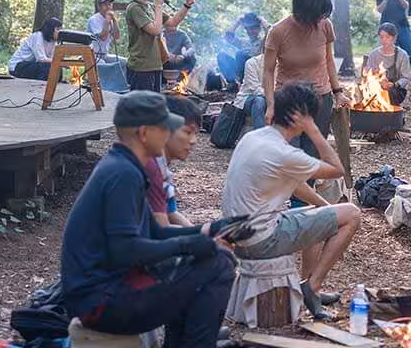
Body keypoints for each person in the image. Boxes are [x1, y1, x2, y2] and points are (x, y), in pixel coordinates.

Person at [60, 91, 248, 348]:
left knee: (210, 257)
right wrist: (191, 245)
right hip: (101, 304)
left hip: (103, 292)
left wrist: (210, 231)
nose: (170, 133)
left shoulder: (124, 166)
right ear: (144, 133)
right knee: (218, 265)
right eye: (165, 127)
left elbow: (154, 233)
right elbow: (127, 251)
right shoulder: (123, 175)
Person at [221, 83, 361, 319]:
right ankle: (313, 286)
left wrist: (326, 210)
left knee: (317, 214)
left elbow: (295, 184)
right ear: (302, 118)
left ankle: (308, 281)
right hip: (260, 241)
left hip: (237, 235)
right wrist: (314, 130)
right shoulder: (285, 154)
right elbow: (338, 170)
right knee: (353, 214)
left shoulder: (253, 138)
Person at [263, 0, 352, 158]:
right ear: (306, 13)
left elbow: (328, 60)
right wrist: (271, 104)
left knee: (312, 156)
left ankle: (308, 186)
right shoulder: (278, 31)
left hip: (320, 97)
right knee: (289, 155)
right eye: (319, 15)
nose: (322, 19)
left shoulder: (325, 25)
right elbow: (268, 71)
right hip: (289, 101)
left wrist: (338, 92)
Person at [123, 0, 200, 92]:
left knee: (153, 107)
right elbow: (155, 31)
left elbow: (172, 23)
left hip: (156, 65)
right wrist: (159, 5)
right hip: (141, 67)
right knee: (141, 108)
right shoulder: (134, 8)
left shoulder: (151, 7)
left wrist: (187, 5)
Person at [146, 96, 204, 227]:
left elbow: (171, 212)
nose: (194, 140)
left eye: (196, 134)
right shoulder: (149, 166)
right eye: (187, 132)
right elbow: (161, 230)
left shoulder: (162, 168)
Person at [363, 23, 411, 106]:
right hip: (375, 88)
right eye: (381, 37)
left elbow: (406, 77)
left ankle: (393, 115)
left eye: (387, 37)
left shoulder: (402, 55)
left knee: (390, 93)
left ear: (394, 38)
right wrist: (376, 80)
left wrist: (394, 84)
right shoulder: (373, 54)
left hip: (395, 90)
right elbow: (367, 75)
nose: (384, 40)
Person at [219, 12, 265, 83]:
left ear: (259, 29)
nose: (250, 31)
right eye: (248, 28)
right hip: (242, 71)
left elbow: (273, 32)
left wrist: (262, 20)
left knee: (240, 54)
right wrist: (238, 22)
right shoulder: (243, 42)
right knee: (222, 56)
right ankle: (233, 83)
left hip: (256, 71)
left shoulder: (264, 41)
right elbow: (228, 37)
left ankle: (244, 81)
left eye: (253, 28)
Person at [231, 52, 267, 129]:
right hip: (248, 98)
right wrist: (272, 97)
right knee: (259, 101)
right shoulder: (252, 63)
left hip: (271, 97)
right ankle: (261, 137)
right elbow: (255, 89)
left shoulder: (282, 64)